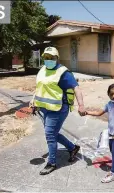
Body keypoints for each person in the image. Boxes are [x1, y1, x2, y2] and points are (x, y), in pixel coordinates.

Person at [30, 47, 86, 175]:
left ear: (57, 58)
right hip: (45, 108)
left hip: (59, 109)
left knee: (50, 134)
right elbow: (39, 88)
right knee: (53, 133)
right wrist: (34, 102)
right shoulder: (43, 70)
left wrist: (81, 105)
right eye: (46, 57)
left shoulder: (63, 72)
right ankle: (73, 148)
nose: (48, 60)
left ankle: (52, 163)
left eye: (51, 57)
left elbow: (76, 88)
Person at [85, 83, 114, 183]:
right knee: (113, 149)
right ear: (108, 94)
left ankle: (113, 173)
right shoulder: (109, 104)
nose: (113, 96)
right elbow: (99, 113)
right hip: (111, 132)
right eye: (111, 94)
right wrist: (87, 112)